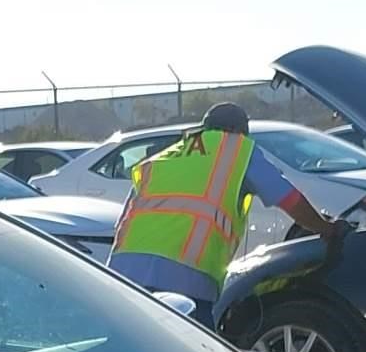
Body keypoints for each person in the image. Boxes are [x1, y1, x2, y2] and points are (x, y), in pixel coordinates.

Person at [106, 102, 344, 316]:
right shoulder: (236, 150)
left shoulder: (163, 157)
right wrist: (325, 228)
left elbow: (126, 219)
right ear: (239, 132)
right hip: (186, 277)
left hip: (124, 271)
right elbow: (288, 198)